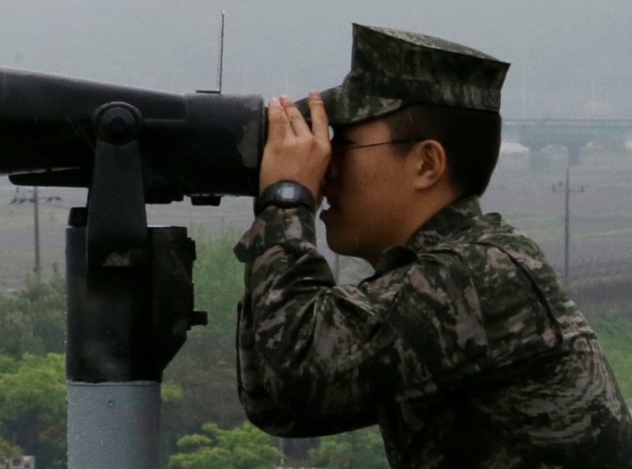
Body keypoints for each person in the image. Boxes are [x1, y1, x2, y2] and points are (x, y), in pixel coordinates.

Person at [235, 24, 632, 467]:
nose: (326, 169)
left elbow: (299, 370)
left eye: (342, 145)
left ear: (426, 163)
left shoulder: (482, 275)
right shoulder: (444, 270)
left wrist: (287, 197)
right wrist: (278, 207)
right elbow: (277, 401)